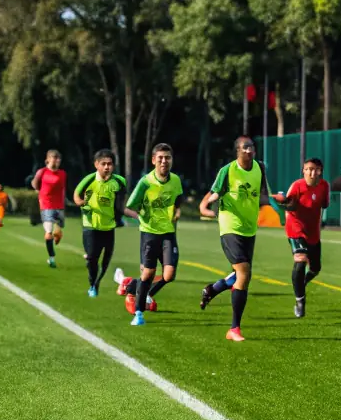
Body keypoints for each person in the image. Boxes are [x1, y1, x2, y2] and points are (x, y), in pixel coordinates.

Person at [198, 136, 271, 343]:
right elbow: (213, 193)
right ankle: (234, 328)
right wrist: (205, 206)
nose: (249, 150)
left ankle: (212, 289)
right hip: (230, 226)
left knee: (240, 275)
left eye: (252, 147)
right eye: (245, 147)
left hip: (249, 229)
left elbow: (264, 195)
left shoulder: (260, 168)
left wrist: (283, 203)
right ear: (237, 151)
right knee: (244, 272)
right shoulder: (228, 170)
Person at [124, 144, 183, 327]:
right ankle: (139, 313)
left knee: (169, 274)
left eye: (167, 158)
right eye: (160, 158)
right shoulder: (145, 182)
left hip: (168, 234)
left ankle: (142, 291)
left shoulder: (175, 181)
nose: (164, 161)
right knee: (149, 273)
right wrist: (141, 216)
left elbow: (178, 200)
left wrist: (177, 211)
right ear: (153, 160)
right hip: (149, 234)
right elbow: (128, 207)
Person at [272, 157, 330, 319]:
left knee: (315, 268)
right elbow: (289, 205)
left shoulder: (324, 186)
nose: (312, 172)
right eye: (309, 169)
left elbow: (325, 204)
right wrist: (283, 201)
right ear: (303, 170)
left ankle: (300, 284)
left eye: (316, 169)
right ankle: (300, 300)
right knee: (300, 259)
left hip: (313, 232)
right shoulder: (297, 186)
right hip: (295, 228)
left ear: (321, 171)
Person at [73, 150, 127, 298]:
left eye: (110, 164)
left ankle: (97, 283)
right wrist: (81, 203)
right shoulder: (89, 180)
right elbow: (76, 195)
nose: (107, 167)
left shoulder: (119, 182)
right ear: (96, 164)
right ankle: (92, 283)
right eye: (103, 164)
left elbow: (122, 201)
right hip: (90, 226)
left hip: (109, 227)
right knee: (92, 258)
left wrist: (122, 214)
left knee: (106, 260)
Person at [31, 150, 67, 267]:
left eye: (58, 158)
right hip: (46, 205)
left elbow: (62, 189)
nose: (56, 160)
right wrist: (40, 193)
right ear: (47, 159)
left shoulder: (62, 173)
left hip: (59, 206)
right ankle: (51, 258)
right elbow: (35, 184)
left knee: (58, 233)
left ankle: (56, 235)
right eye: (54, 157)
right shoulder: (42, 172)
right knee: (48, 232)